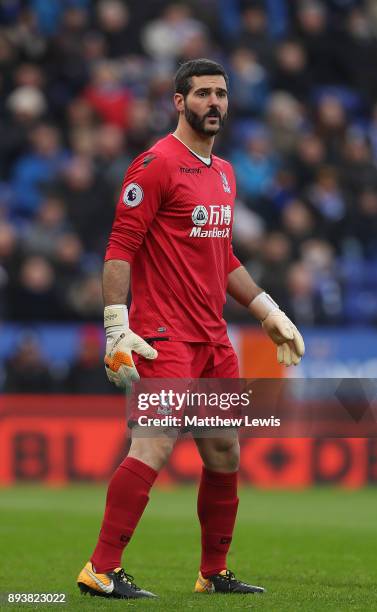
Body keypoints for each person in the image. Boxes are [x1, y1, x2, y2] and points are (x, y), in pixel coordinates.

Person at [77, 59, 305, 599]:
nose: (214, 103)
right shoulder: (155, 164)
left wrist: (269, 311)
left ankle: (213, 573)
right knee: (152, 447)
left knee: (224, 451)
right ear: (179, 101)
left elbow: (222, 256)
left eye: (221, 94)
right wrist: (117, 326)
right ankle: (100, 569)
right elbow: (119, 249)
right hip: (164, 336)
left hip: (213, 340)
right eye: (202, 94)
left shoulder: (223, 173)